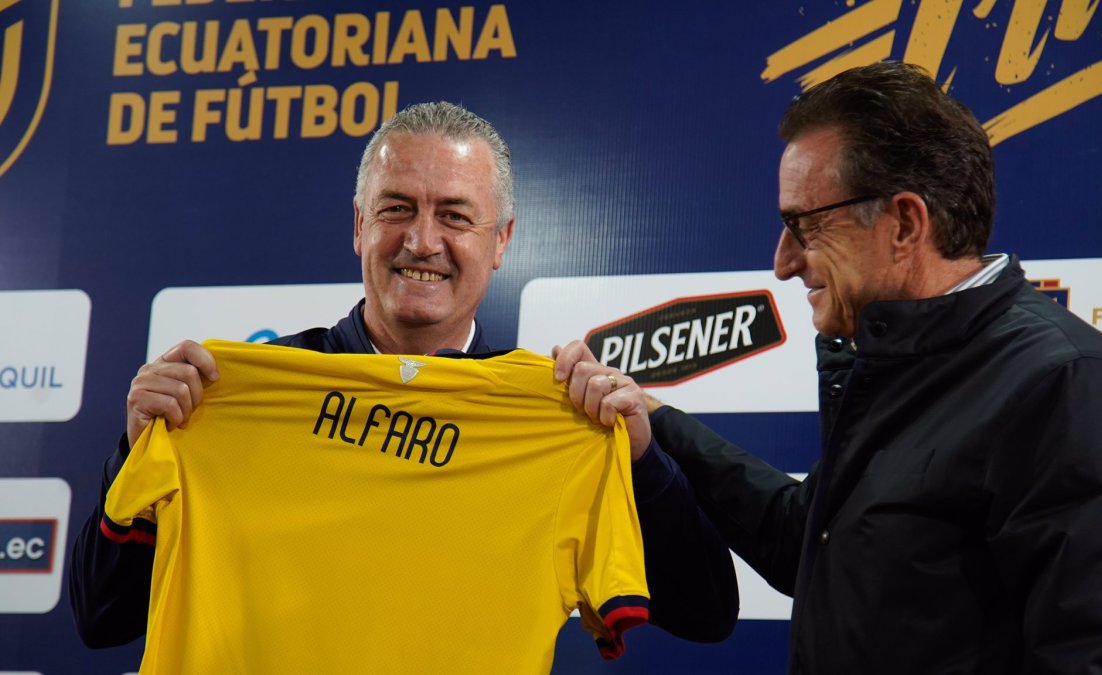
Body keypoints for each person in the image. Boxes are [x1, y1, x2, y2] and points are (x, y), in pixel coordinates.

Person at [555, 61, 1102, 673]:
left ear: (905, 223)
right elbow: (810, 542)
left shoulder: (1063, 384)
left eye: (805, 226)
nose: (783, 262)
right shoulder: (899, 359)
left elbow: (1100, 659)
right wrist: (655, 426)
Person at [69, 101, 738, 650]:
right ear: (359, 227)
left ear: (502, 240)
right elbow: (101, 618)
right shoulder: (226, 401)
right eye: (396, 209)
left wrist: (640, 457)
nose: (422, 241)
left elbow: (707, 613)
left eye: (454, 214)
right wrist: (138, 449)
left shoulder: (553, 424)